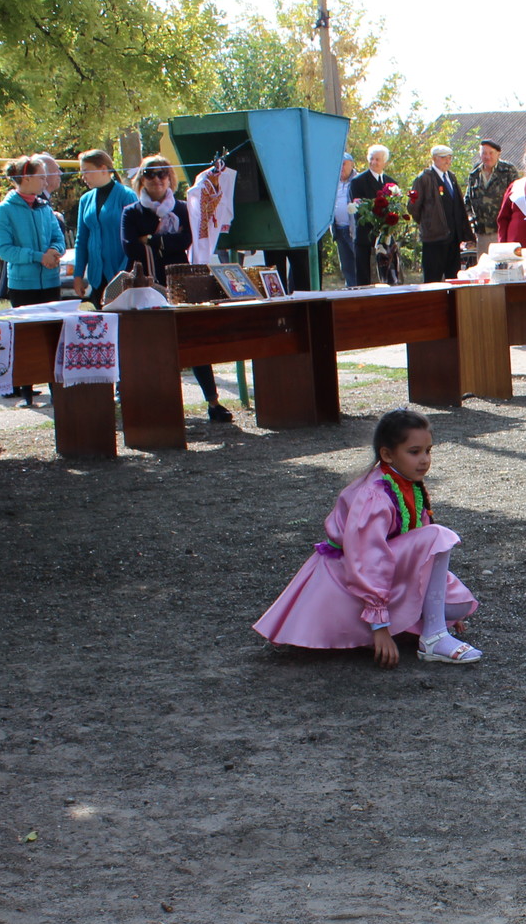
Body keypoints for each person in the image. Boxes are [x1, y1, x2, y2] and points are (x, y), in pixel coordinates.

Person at [254, 408, 481, 667]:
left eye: (428, 450)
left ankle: (433, 624)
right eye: (414, 451)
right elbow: (366, 557)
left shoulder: (406, 482)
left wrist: (439, 610)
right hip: (350, 578)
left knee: (458, 606)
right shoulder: (375, 494)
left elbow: (417, 545)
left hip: (384, 571)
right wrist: (379, 624)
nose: (424, 460)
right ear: (387, 454)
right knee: (439, 535)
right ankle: (433, 637)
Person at [123, 155, 231, 423]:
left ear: (170, 178)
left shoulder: (183, 209)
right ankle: (155, 405)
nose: (157, 180)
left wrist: (151, 239)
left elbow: (187, 238)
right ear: (141, 179)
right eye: (150, 174)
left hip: (180, 281)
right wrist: (163, 241)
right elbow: (130, 246)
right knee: (148, 345)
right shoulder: (131, 212)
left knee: (194, 341)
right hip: (145, 283)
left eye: (162, 174)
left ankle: (213, 401)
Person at [0, 153, 65, 408]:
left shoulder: (45, 208)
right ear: (24, 178)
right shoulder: (5, 209)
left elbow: (58, 237)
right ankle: (27, 394)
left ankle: (58, 392)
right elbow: (5, 249)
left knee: (54, 337)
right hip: (23, 285)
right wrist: (37, 257)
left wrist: (54, 253)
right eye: (40, 176)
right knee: (26, 340)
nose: (46, 180)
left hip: (51, 282)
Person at [73, 149, 135, 305]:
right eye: (82, 172)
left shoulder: (126, 195)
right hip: (97, 278)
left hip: (122, 275)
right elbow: (81, 240)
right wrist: (78, 275)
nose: (83, 176)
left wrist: (125, 272)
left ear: (103, 169)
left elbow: (134, 238)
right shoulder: (85, 200)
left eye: (87, 171)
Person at [412, 144, 474, 284]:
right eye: (443, 158)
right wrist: (429, 223)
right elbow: (414, 207)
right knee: (432, 280)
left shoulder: (451, 177)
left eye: (449, 158)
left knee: (453, 279)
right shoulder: (424, 178)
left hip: (453, 238)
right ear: (434, 159)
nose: (447, 161)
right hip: (434, 239)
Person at [348, 145, 396, 287]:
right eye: (371, 159)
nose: (374, 162)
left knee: (387, 278)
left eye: (377, 159)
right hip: (365, 238)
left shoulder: (391, 183)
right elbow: (359, 210)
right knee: (364, 279)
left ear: (384, 162)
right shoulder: (358, 182)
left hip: (386, 238)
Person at [463, 138, 519, 256]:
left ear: (498, 154)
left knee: (502, 265)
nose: (487, 157)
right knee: (484, 269)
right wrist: (470, 220)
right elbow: (467, 200)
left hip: (502, 231)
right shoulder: (475, 173)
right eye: (484, 153)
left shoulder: (508, 171)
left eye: (490, 153)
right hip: (482, 232)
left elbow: (517, 198)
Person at [331, 154, 359, 287]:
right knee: (346, 266)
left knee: (358, 264)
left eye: (344, 164)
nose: (341, 167)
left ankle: (362, 292)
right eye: (339, 164)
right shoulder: (333, 182)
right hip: (339, 229)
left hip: (353, 230)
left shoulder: (358, 180)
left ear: (352, 164)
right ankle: (351, 291)